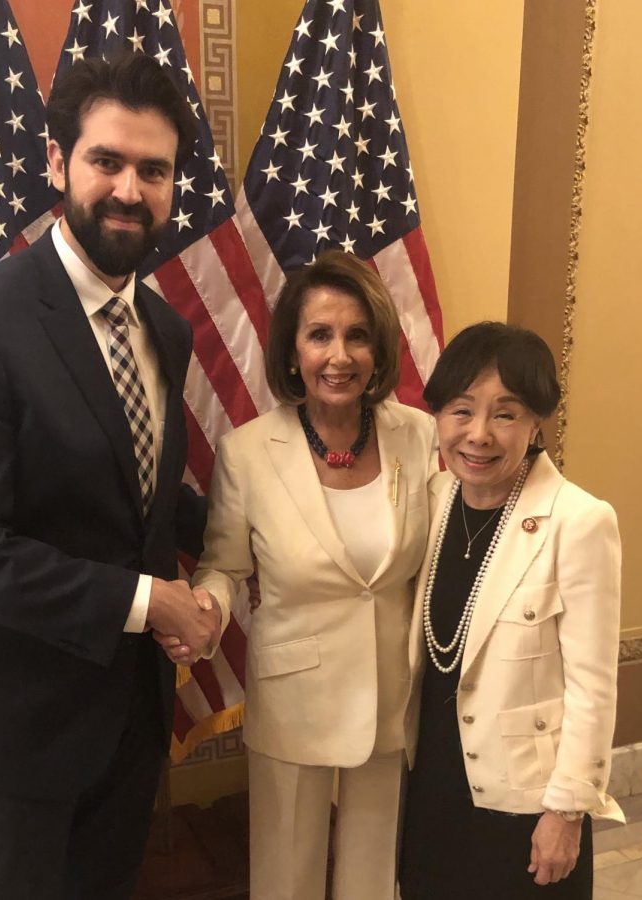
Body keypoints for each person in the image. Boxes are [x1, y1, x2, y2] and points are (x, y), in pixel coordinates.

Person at [0, 54, 220, 900]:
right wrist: (154, 601)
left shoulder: (165, 329)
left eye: (153, 170)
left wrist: (255, 529)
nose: (129, 190)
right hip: (15, 723)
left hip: (130, 715)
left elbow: (141, 498)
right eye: (105, 161)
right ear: (57, 163)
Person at [160, 250, 438, 900]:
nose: (339, 355)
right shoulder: (249, 452)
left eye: (357, 335)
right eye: (320, 335)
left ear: (378, 350)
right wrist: (203, 606)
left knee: (372, 879)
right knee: (287, 878)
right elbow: (226, 565)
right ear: (293, 352)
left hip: (391, 693)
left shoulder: (419, 438)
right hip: (294, 697)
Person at [398, 322, 624, 900]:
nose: (478, 434)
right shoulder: (433, 497)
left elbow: (592, 684)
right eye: (461, 410)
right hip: (434, 784)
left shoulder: (579, 521)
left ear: (537, 421)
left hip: (526, 804)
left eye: (505, 413)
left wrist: (568, 812)